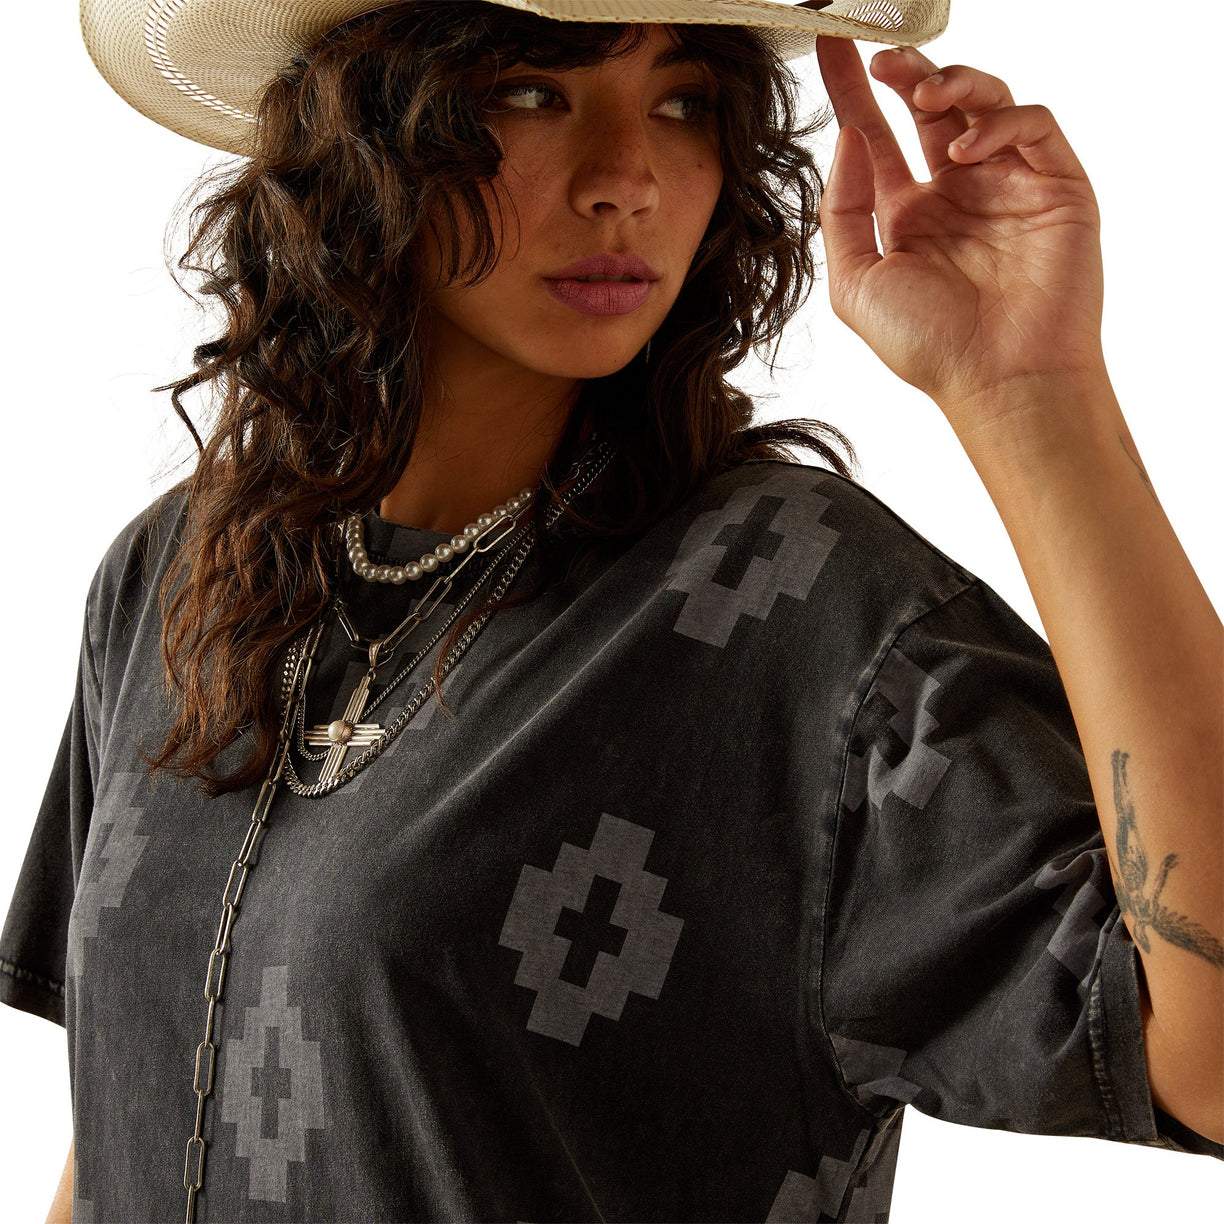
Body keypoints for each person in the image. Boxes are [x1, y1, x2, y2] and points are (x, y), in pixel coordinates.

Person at [1, 0, 1220, 1220]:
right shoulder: (178, 575)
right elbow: (116, 1126)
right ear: (361, 129)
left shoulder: (794, 610)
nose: (627, 180)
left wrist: (1030, 393)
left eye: (685, 103)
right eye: (532, 91)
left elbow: (1207, 1065)